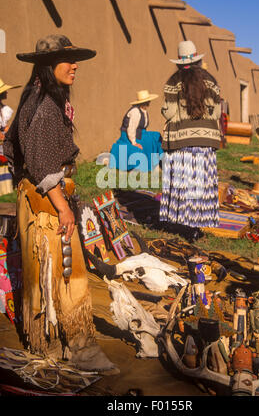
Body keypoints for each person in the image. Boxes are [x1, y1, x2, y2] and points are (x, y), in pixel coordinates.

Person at [3, 34, 119, 374]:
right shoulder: (45, 107)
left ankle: (51, 345)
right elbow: (41, 162)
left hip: (35, 199)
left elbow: (12, 150)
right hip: (48, 205)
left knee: (47, 276)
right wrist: (62, 205)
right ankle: (81, 348)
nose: (75, 66)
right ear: (47, 66)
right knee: (67, 274)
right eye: (68, 60)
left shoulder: (33, 100)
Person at [159, 40, 221, 242]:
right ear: (198, 59)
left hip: (182, 140)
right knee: (200, 182)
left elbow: (169, 113)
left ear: (179, 62)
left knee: (184, 181)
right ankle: (196, 225)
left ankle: (183, 222)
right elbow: (217, 112)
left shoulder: (173, 81)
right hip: (205, 139)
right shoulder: (211, 80)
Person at [109, 90, 164, 172]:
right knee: (142, 146)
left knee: (156, 136)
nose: (149, 103)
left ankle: (162, 161)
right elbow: (131, 129)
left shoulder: (144, 111)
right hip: (128, 136)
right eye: (147, 102)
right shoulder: (135, 112)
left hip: (141, 133)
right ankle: (149, 164)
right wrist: (134, 143)